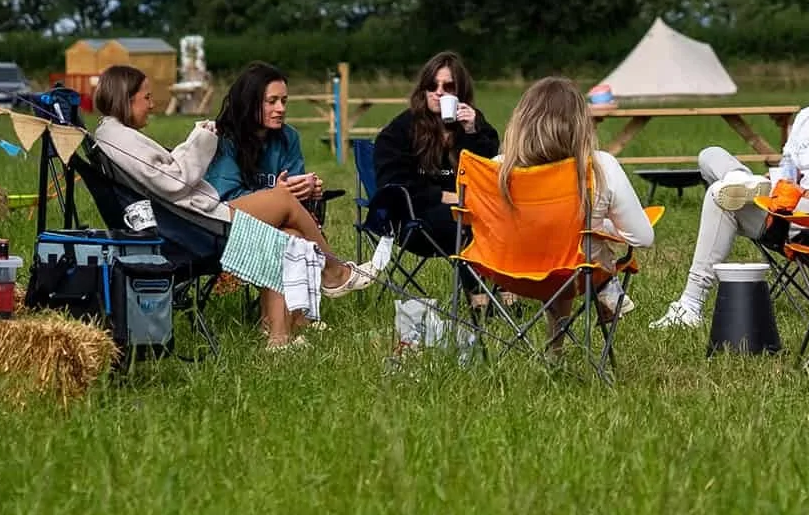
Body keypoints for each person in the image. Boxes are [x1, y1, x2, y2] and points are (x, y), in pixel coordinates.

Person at [90, 65, 379, 349]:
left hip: (187, 219)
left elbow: (163, 175)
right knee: (282, 202)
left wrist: (304, 188)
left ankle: (279, 337)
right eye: (147, 97)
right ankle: (334, 273)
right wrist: (200, 138)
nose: (153, 105)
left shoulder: (114, 136)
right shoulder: (121, 139)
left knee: (289, 230)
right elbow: (174, 181)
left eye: (284, 101)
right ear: (126, 99)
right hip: (194, 225)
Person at [651, 32, 809, 329]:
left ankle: (690, 304)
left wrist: (805, 194)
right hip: (785, 207)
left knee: (720, 195)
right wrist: (779, 183)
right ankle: (742, 182)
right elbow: (789, 168)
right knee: (710, 154)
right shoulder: (808, 116)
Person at [494, 77, 656, 337]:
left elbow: (475, 225)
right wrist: (601, 225)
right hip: (578, 273)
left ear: (521, 121)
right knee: (586, 242)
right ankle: (610, 293)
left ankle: (555, 352)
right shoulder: (600, 166)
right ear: (581, 123)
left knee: (570, 241)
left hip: (510, 272)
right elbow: (642, 237)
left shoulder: (496, 167)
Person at [372, 52, 500, 259]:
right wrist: (446, 197)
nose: (438, 93)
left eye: (448, 87)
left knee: (499, 221)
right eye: (432, 86)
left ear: (460, 92)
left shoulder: (474, 124)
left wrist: (471, 133)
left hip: (470, 211)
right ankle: (479, 291)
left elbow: (489, 172)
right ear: (424, 90)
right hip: (414, 217)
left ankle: (500, 288)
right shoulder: (400, 130)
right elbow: (394, 185)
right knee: (467, 225)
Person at [206, 61, 323, 204]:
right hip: (233, 218)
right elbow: (227, 198)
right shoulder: (225, 138)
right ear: (249, 102)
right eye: (272, 101)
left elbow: (293, 189)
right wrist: (275, 195)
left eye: (284, 101)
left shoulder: (289, 137)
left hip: (281, 214)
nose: (281, 108)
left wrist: (307, 189)